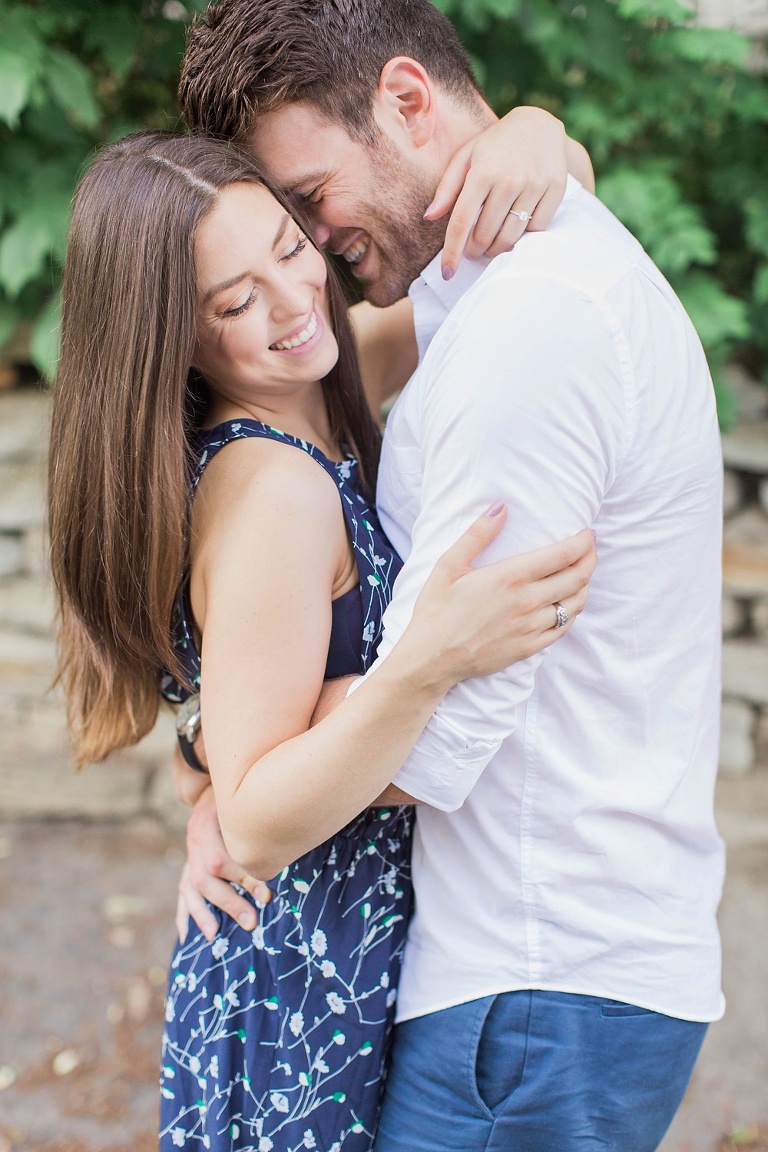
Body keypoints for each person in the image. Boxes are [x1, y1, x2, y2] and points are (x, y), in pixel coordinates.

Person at [176, 2, 726, 1150]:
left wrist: (250, 763)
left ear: (409, 102)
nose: (311, 250)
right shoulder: (473, 290)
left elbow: (439, 738)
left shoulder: (526, 327)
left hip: (533, 983)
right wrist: (227, 749)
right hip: (531, 978)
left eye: (309, 204)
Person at [48, 129, 594, 1152]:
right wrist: (429, 662)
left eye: (288, 250)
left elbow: (517, 247)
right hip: (300, 984)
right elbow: (255, 824)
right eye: (233, 301)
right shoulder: (275, 492)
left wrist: (537, 136)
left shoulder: (322, 390)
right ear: (175, 341)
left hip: (337, 960)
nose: (295, 304)